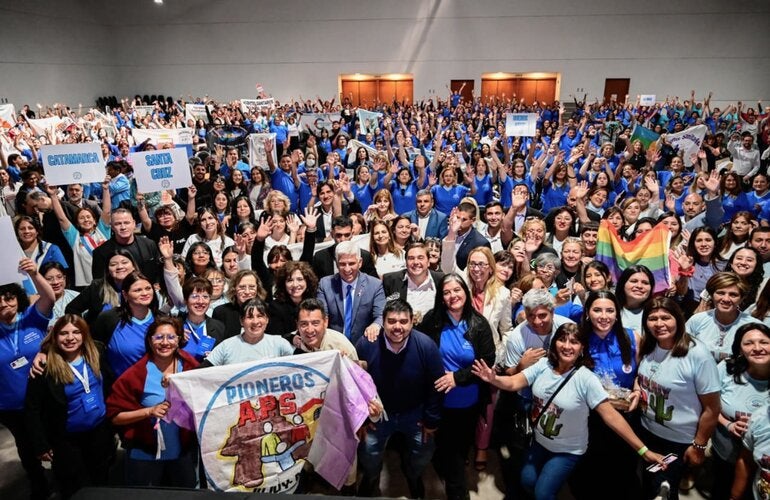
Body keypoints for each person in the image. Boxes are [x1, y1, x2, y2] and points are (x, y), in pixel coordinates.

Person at [472, 323, 664, 500]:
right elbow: (514, 382)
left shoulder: (586, 379)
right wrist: (494, 379)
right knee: (527, 481)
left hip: (567, 450)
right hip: (539, 442)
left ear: (582, 348)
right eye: (562, 339)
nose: (567, 346)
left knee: (543, 493)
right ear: (554, 342)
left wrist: (643, 450)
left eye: (574, 342)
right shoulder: (544, 365)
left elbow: (611, 416)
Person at [355, 299, 445, 498]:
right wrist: (362, 417)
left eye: (404, 322)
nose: (398, 327)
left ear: (412, 322)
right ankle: (371, 478)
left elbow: (436, 385)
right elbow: (354, 384)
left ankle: (413, 476)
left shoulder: (426, 345)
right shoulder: (366, 344)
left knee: (423, 452)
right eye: (392, 321)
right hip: (378, 414)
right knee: (368, 454)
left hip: (415, 413)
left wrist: (431, 420)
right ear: (383, 322)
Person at [635, 297, 721, 500]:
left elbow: (712, 408)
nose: (659, 324)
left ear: (679, 319)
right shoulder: (649, 346)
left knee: (663, 489)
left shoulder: (697, 355)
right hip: (647, 432)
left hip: (677, 441)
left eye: (666, 317)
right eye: (652, 318)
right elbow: (644, 378)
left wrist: (699, 446)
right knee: (648, 483)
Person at [419, 273, 495, 500]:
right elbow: (421, 352)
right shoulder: (432, 320)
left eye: (457, 290)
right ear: (441, 297)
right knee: (444, 450)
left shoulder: (479, 324)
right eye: (447, 292)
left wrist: (457, 378)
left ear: (466, 292)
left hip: (468, 402)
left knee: (457, 453)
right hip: (437, 401)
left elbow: (487, 361)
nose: (453, 296)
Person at [24, 315, 115, 499]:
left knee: (101, 480)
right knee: (73, 486)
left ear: (84, 335)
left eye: (76, 332)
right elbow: (32, 409)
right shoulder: (44, 366)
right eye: (63, 333)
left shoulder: (96, 353)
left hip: (99, 432)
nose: (70, 338)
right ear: (55, 337)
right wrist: (40, 444)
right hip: (66, 439)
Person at [106, 317, 199, 487]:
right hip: (145, 454)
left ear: (179, 340)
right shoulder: (136, 374)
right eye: (159, 337)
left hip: (182, 452)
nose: (165, 342)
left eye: (171, 337)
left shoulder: (190, 367)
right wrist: (148, 411)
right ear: (150, 341)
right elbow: (115, 416)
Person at [571, 290, 642, 499]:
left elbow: (642, 372)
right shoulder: (577, 340)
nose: (604, 316)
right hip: (589, 417)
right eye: (597, 310)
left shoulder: (631, 337)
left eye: (610, 310)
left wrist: (637, 389)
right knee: (592, 471)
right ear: (587, 313)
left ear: (617, 313)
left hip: (625, 413)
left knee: (624, 468)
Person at [0, 258, 56, 500]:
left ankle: (64, 480)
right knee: (26, 448)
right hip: (10, 406)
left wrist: (34, 274)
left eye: (9, 297)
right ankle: (38, 487)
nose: (4, 303)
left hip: (44, 400)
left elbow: (49, 298)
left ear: (18, 298)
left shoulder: (31, 319)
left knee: (53, 442)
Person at [710, 323, 770, 500]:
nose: (757, 348)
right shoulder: (727, 368)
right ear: (740, 349)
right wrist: (728, 424)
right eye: (749, 343)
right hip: (727, 450)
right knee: (723, 488)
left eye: (764, 342)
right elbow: (709, 405)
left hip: (764, 461)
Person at [90, 271, 159, 381]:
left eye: (148, 288)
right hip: (119, 388)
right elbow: (94, 351)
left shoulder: (161, 319)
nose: (145, 293)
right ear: (125, 294)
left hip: (155, 386)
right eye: (138, 290)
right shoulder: (109, 318)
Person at [46, 178, 112, 288]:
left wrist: (105, 189)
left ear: (95, 220)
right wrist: (53, 195)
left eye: (88, 217)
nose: (86, 220)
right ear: (77, 223)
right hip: (87, 286)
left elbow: (107, 211)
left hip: (109, 282)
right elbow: (62, 218)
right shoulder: (75, 237)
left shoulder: (103, 231)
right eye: (82, 218)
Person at [317, 241, 385, 346]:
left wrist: (375, 325)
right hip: (334, 345)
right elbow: (322, 316)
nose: (347, 269)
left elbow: (381, 314)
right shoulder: (325, 284)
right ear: (336, 263)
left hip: (365, 343)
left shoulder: (374, 285)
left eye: (352, 263)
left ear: (360, 262)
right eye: (342, 264)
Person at [686, 272, 755, 362]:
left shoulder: (752, 327)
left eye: (733, 295)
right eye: (720, 293)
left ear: (742, 298)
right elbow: (681, 353)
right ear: (711, 295)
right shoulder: (697, 320)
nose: (726, 299)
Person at [203, 298, 294, 366]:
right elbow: (199, 373)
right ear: (241, 321)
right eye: (250, 317)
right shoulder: (226, 347)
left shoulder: (280, 344)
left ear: (267, 320)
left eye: (260, 316)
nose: (255, 321)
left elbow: (301, 364)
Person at [91, 208, 162, 284]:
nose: (123, 227)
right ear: (112, 226)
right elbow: (100, 282)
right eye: (118, 224)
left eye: (126, 223)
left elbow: (158, 272)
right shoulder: (101, 252)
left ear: (134, 224)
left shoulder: (149, 244)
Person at [381, 242, 443, 325]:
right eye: (411, 258)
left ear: (428, 262)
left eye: (420, 258)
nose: (416, 262)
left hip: (433, 333)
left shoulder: (440, 280)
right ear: (406, 263)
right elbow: (381, 311)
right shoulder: (390, 280)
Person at [266, 261, 319, 341]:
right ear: (283, 283)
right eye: (290, 280)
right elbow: (275, 337)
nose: (295, 284)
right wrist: (291, 338)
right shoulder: (275, 307)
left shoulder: (314, 303)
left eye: (300, 279)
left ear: (307, 281)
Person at [312, 216, 378, 279]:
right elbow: (314, 284)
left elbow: (374, 283)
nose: (343, 239)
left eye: (347, 235)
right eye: (339, 235)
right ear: (332, 234)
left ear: (352, 234)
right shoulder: (320, 257)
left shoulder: (364, 256)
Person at [212, 269, 268, 339]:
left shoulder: (268, 310)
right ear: (234, 289)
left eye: (251, 287)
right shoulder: (221, 312)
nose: (247, 292)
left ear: (258, 289)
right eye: (242, 287)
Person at [441, 203, 491, 272]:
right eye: (457, 218)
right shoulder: (448, 234)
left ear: (472, 220)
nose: (459, 222)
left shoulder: (480, 243)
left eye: (464, 220)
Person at [41, 261, 78, 327]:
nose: (55, 282)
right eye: (49, 279)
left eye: (59, 277)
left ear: (64, 278)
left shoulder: (76, 297)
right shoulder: (36, 302)